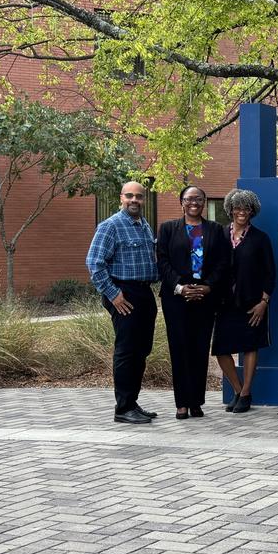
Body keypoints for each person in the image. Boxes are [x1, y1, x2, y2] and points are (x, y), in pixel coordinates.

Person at [86, 181, 160, 425]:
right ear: (121, 198)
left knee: (141, 350)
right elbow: (94, 263)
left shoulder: (143, 226)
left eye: (138, 196)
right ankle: (123, 407)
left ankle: (132, 402)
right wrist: (113, 294)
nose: (134, 200)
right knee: (127, 352)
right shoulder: (110, 226)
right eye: (129, 196)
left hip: (143, 293)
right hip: (123, 294)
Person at [157, 186, 230, 419]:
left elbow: (223, 262)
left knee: (199, 349)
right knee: (180, 349)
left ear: (204, 201)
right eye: (189, 199)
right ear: (181, 202)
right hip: (176, 298)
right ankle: (181, 403)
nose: (194, 203)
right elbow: (162, 261)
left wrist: (208, 287)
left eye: (198, 199)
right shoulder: (168, 229)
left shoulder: (216, 230)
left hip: (205, 298)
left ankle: (196, 402)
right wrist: (180, 287)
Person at [212, 188, 275, 414]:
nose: (242, 212)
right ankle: (237, 390)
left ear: (252, 211)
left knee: (249, 347)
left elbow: (270, 273)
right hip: (224, 303)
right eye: (238, 207)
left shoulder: (260, 238)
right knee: (221, 349)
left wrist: (264, 302)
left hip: (252, 303)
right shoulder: (219, 235)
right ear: (230, 209)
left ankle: (247, 393)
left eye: (247, 208)